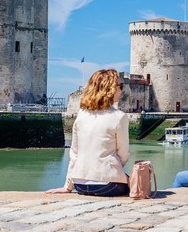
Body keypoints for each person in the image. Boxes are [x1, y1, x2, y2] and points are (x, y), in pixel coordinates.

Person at [45, 69, 130, 197]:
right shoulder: (119, 117)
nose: (122, 90)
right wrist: (113, 170)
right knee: (139, 182)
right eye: (120, 86)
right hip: (108, 186)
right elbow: (123, 155)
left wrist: (67, 187)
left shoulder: (81, 115)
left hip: (80, 184)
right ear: (110, 89)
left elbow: (74, 153)